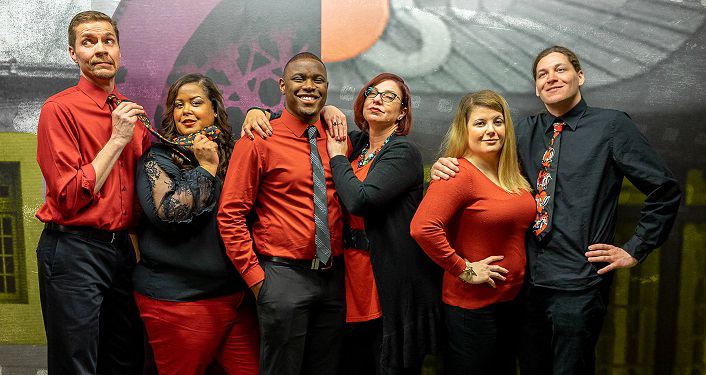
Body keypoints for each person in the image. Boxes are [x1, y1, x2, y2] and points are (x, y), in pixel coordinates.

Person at [430, 46, 682, 374]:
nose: (551, 78)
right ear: (536, 87)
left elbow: (664, 190)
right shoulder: (522, 131)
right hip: (526, 284)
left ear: (580, 76)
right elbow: (481, 163)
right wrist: (447, 163)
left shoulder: (612, 127)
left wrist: (634, 249)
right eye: (542, 74)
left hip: (578, 282)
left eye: (560, 70)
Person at [242, 73, 443, 375]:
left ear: (402, 113)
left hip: (386, 280)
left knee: (386, 361)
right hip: (347, 277)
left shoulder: (403, 152)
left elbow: (360, 200)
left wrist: (337, 157)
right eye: (372, 92)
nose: (377, 98)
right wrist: (259, 112)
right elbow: (302, 115)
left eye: (389, 96)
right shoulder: (357, 144)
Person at [35, 10, 148, 374]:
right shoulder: (59, 109)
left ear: (119, 52)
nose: (100, 49)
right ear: (73, 53)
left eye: (108, 41)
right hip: (73, 249)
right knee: (76, 364)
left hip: (121, 253)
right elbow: (68, 197)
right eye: (89, 42)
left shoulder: (133, 115)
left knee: (124, 359)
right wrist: (116, 140)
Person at [217, 52, 345, 375]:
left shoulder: (338, 142)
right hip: (282, 278)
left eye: (317, 80)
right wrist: (258, 281)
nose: (309, 86)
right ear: (282, 85)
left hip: (332, 280)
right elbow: (230, 214)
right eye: (299, 79)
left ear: (327, 88)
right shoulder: (259, 138)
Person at [132, 73, 259, 375]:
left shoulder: (235, 152)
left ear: (215, 110)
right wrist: (206, 167)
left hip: (234, 297)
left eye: (196, 102)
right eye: (179, 105)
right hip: (180, 301)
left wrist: (259, 112)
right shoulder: (158, 158)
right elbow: (169, 213)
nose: (186, 110)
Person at [411, 90, 534, 374]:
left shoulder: (511, 173)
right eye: (480, 123)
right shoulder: (457, 174)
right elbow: (422, 228)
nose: (491, 130)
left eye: (497, 122)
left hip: (510, 303)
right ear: (464, 129)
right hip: (471, 309)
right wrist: (463, 269)